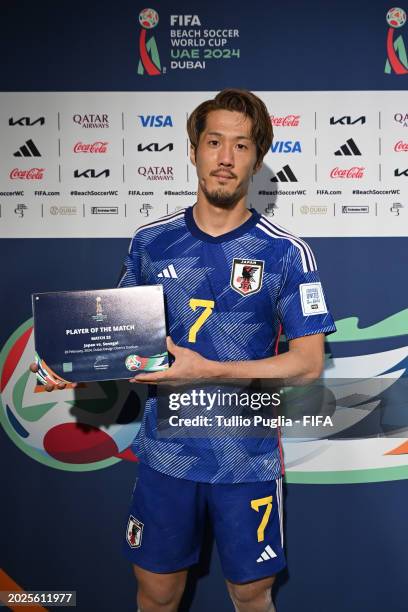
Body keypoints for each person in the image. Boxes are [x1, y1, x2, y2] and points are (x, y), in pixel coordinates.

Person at [32, 89, 336, 612]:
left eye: (241, 146)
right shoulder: (151, 242)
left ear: (257, 160)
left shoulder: (286, 252)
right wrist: (75, 367)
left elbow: (308, 365)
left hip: (247, 456)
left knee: (251, 594)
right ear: (194, 149)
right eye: (214, 142)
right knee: (157, 591)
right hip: (166, 454)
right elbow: (124, 342)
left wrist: (209, 369)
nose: (225, 157)